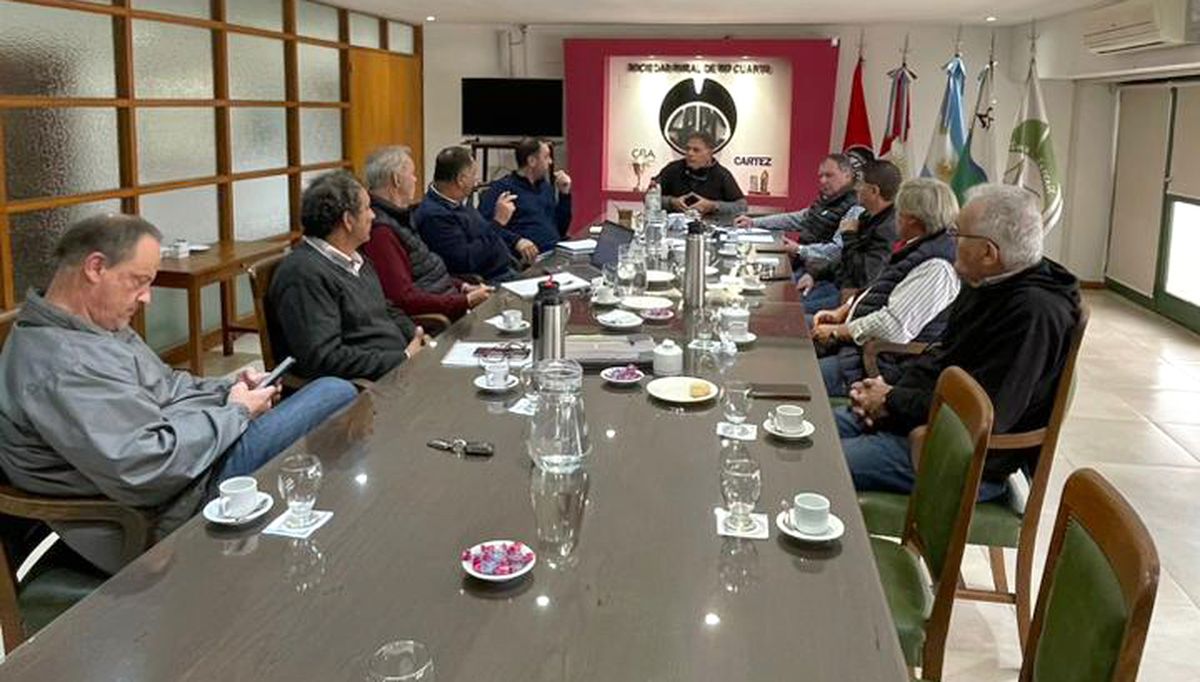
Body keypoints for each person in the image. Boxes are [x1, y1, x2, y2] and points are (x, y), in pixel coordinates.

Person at [0, 214, 358, 573]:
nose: (146, 298)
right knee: (333, 392)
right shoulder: (63, 366)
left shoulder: (91, 326)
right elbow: (148, 467)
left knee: (324, 401)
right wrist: (235, 413)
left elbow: (167, 385)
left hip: (192, 459)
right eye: (139, 281)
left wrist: (229, 389)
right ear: (96, 267)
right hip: (168, 505)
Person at [836, 184, 1081, 500]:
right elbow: (943, 357)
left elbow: (984, 413)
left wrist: (892, 401)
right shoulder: (988, 281)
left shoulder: (1034, 314)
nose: (950, 241)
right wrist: (886, 388)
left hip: (959, 456)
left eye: (958, 234)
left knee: (814, 461)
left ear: (988, 253)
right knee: (808, 434)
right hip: (918, 419)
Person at [269, 170, 429, 381]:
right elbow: (324, 359)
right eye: (367, 208)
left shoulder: (356, 259)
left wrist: (417, 336)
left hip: (399, 368)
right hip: (368, 386)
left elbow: (386, 309)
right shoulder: (303, 275)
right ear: (348, 220)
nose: (373, 215)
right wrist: (403, 358)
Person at [811, 178, 962, 397]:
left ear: (911, 219)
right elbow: (878, 290)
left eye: (898, 211)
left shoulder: (937, 267)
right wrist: (843, 311)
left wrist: (838, 331)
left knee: (794, 374)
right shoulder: (917, 248)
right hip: (854, 346)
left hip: (875, 366)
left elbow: (893, 327)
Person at [362, 145, 492, 321]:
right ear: (396, 180)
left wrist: (463, 286)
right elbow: (403, 299)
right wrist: (464, 301)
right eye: (412, 174)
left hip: (451, 297)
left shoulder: (401, 217)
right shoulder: (381, 233)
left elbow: (428, 271)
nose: (416, 179)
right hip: (441, 318)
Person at [413, 146, 539, 283]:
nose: (477, 181)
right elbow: (467, 261)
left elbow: (484, 235)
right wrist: (498, 222)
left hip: (510, 268)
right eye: (474, 174)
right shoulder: (435, 216)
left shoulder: (457, 202)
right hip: (491, 281)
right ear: (461, 180)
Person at [798, 159, 901, 314]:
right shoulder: (867, 216)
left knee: (793, 312)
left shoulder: (887, 229)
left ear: (874, 191)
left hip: (849, 298)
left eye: (861, 184)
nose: (857, 188)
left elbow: (863, 276)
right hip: (833, 282)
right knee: (788, 300)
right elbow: (843, 258)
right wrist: (813, 274)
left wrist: (849, 236)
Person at [733, 153, 859, 245]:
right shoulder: (825, 200)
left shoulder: (854, 208)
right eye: (821, 176)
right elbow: (797, 219)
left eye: (829, 175)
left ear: (847, 175)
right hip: (803, 262)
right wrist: (753, 222)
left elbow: (837, 251)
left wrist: (799, 250)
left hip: (820, 271)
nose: (822, 181)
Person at [478, 137, 573, 253]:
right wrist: (516, 241)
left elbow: (561, 229)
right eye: (546, 157)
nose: (550, 162)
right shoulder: (502, 189)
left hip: (555, 252)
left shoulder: (546, 188)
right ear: (532, 161)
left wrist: (564, 195)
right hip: (527, 257)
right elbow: (486, 229)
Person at [655, 131, 747, 220]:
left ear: (709, 152)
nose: (690, 153)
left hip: (710, 225)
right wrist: (671, 202)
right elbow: (650, 198)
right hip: (674, 225)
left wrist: (713, 206)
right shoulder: (672, 169)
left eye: (696, 150)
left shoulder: (722, 175)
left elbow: (742, 206)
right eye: (688, 149)